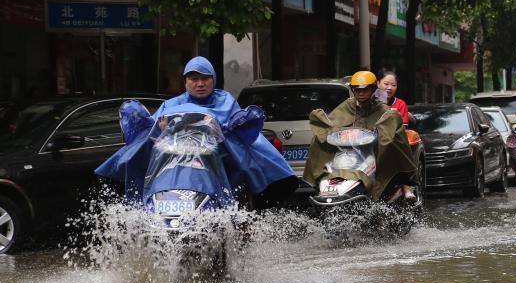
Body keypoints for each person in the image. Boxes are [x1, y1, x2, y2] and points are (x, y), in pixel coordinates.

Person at [96, 56, 297, 208]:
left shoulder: (226, 102)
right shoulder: (170, 105)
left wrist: (218, 129)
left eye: (205, 78)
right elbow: (150, 133)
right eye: (193, 79)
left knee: (248, 166)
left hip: (218, 166)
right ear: (185, 82)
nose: (200, 84)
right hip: (174, 170)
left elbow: (236, 132)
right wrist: (161, 129)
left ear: (214, 80)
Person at [303, 70, 417, 203]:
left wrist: (382, 135)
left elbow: (391, 127)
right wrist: (328, 131)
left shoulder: (382, 109)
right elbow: (332, 122)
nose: (361, 93)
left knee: (392, 148)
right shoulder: (347, 106)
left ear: (373, 89)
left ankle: (400, 188)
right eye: (357, 90)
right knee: (317, 140)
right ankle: (318, 183)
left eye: (365, 89)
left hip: (373, 153)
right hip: (347, 152)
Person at [377, 69, 415, 201]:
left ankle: (406, 187)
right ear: (378, 84)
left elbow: (402, 128)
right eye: (386, 84)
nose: (389, 88)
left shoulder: (400, 104)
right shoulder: (370, 102)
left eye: (393, 85)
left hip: (393, 141)